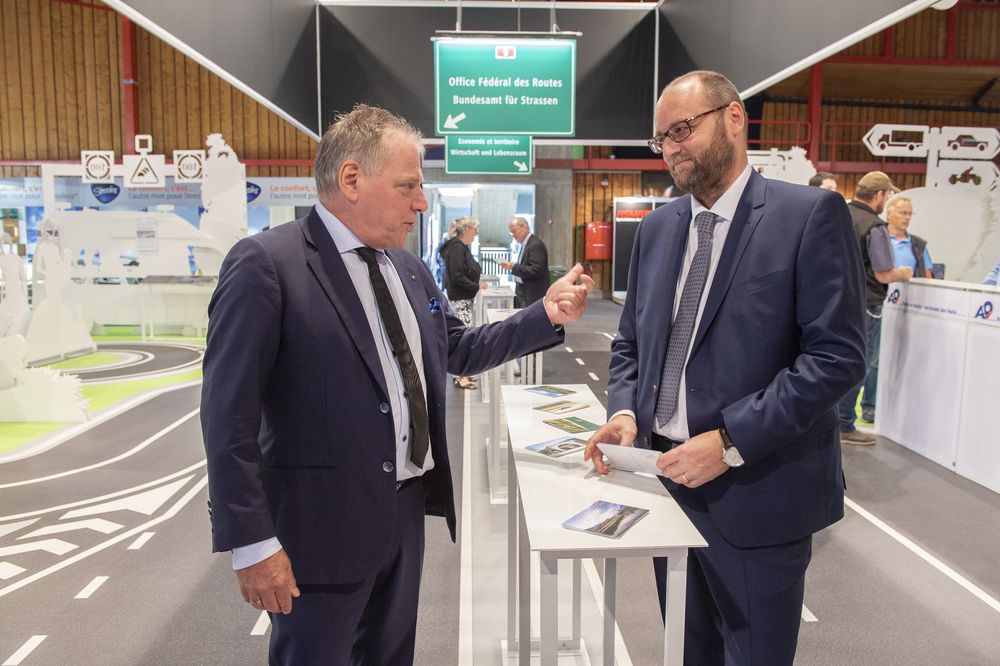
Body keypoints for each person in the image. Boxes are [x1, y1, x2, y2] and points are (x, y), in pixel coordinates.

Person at [200, 103, 594, 665]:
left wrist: (545, 316)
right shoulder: (268, 264)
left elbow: (455, 348)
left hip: (402, 518)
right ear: (352, 179)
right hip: (317, 531)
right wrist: (252, 542)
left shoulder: (405, 268)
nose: (421, 201)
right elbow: (226, 416)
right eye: (408, 185)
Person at [583, 70, 866, 665]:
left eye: (683, 129)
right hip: (666, 481)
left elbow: (836, 358)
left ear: (734, 117)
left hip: (759, 491)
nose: (672, 148)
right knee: (687, 652)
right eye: (662, 140)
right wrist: (625, 410)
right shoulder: (659, 229)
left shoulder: (809, 215)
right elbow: (633, 342)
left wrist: (732, 441)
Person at [837, 171, 914, 438]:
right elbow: (883, 273)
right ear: (880, 195)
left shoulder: (840, 215)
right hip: (866, 305)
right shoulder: (874, 226)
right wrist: (904, 272)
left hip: (836, 302)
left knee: (833, 362)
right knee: (860, 364)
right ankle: (845, 422)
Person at [440, 215, 483, 389]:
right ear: (466, 229)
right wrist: (475, 284)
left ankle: (463, 373)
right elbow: (457, 276)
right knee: (462, 338)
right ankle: (460, 376)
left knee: (464, 335)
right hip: (460, 298)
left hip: (463, 297)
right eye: (475, 230)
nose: (476, 233)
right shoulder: (457, 248)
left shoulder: (459, 247)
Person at [499, 216, 549, 307]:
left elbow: (536, 270)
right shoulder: (525, 244)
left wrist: (513, 266)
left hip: (532, 293)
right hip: (523, 289)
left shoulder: (535, 245)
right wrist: (513, 266)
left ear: (525, 227)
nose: (513, 235)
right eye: (511, 233)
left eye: (515, 231)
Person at [886, 196, 933, 279]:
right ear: (889, 215)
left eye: (910, 214)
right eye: (903, 213)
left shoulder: (919, 245)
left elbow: (928, 278)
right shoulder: (877, 241)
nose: (908, 218)